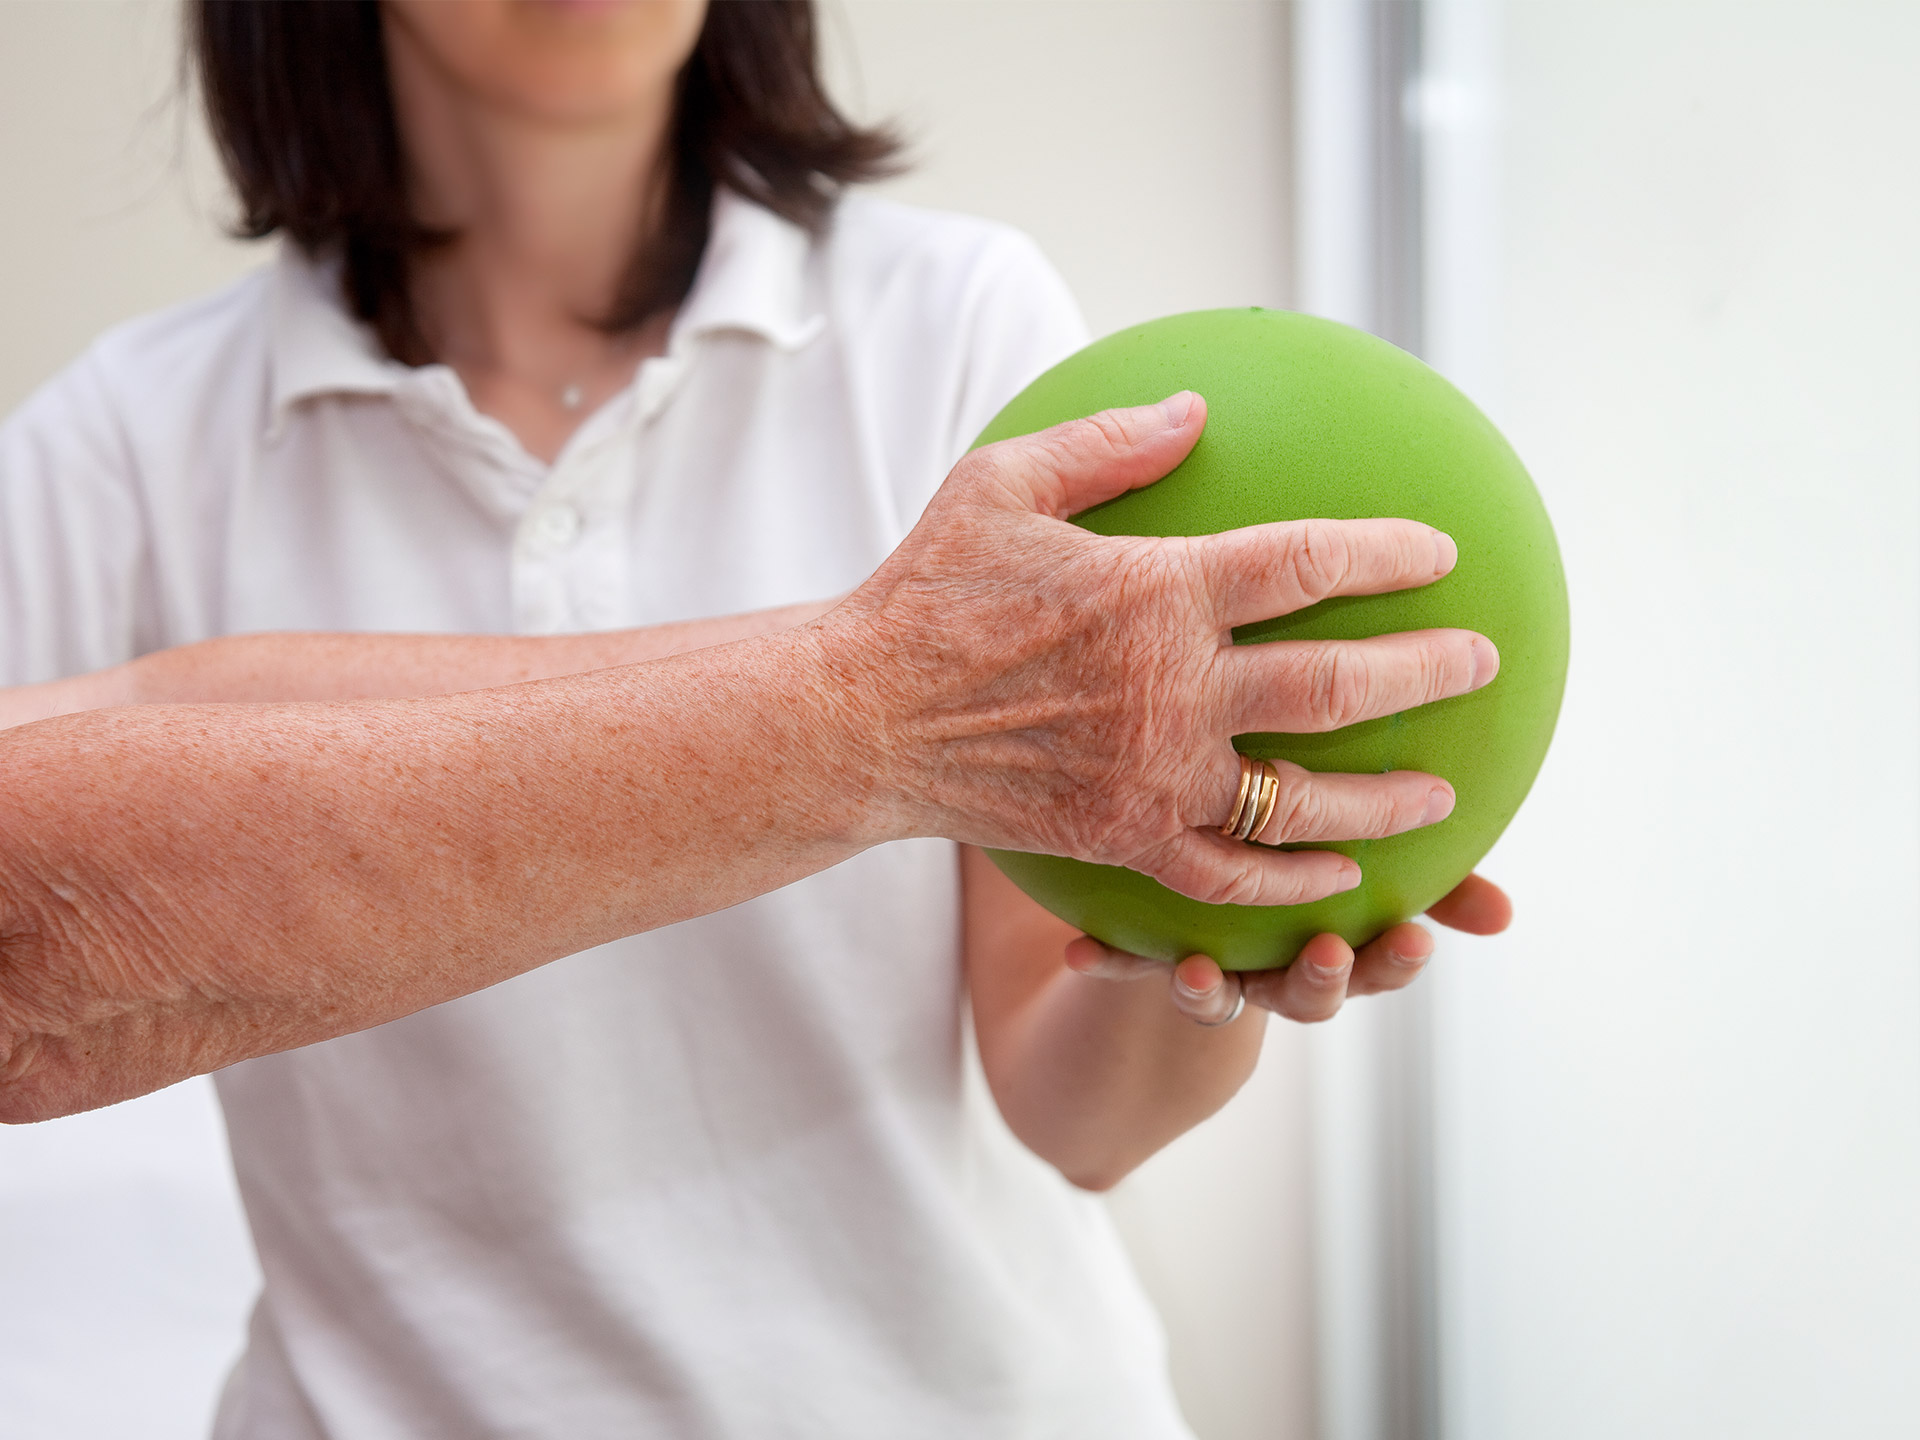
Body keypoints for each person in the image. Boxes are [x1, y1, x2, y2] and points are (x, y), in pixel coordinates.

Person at [0, 2, 1507, 1435]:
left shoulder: (952, 323)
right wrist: (895, 706)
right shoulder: (131, 445)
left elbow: (1083, 1124)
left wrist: (1205, 930)